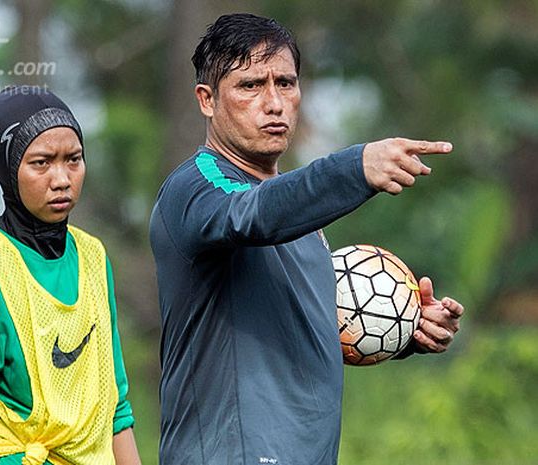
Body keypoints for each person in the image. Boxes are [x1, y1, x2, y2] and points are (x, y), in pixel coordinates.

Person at [149, 13, 464, 465]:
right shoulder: (194, 187)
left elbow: (314, 328)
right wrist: (354, 168)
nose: (274, 103)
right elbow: (250, 216)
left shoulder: (303, 221)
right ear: (207, 100)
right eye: (251, 86)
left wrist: (405, 327)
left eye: (286, 83)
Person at [0, 86, 141, 465]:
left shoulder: (92, 256)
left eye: (73, 159)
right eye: (42, 163)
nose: (62, 179)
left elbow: (115, 406)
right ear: (8, 170)